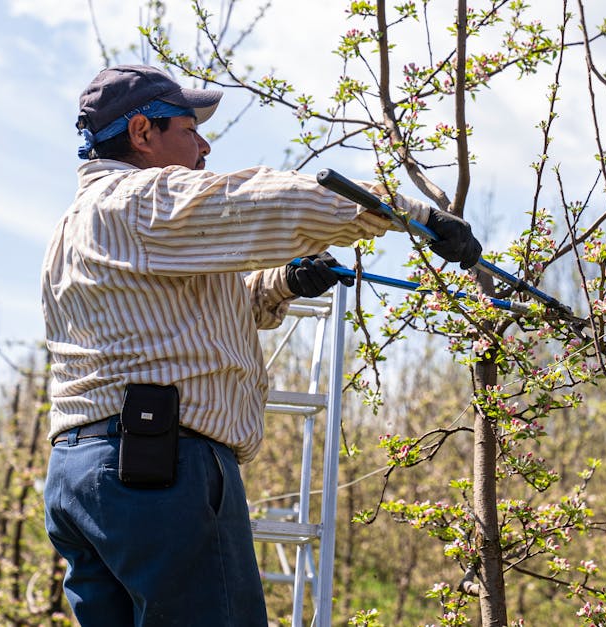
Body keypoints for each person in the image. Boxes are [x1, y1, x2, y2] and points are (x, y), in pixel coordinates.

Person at [41, 64, 482, 625]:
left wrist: (283, 283)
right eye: (187, 128)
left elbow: (179, 319)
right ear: (141, 134)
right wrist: (410, 212)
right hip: (159, 471)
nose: (203, 147)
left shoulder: (76, 225)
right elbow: (260, 202)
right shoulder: (143, 200)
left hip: (81, 477)